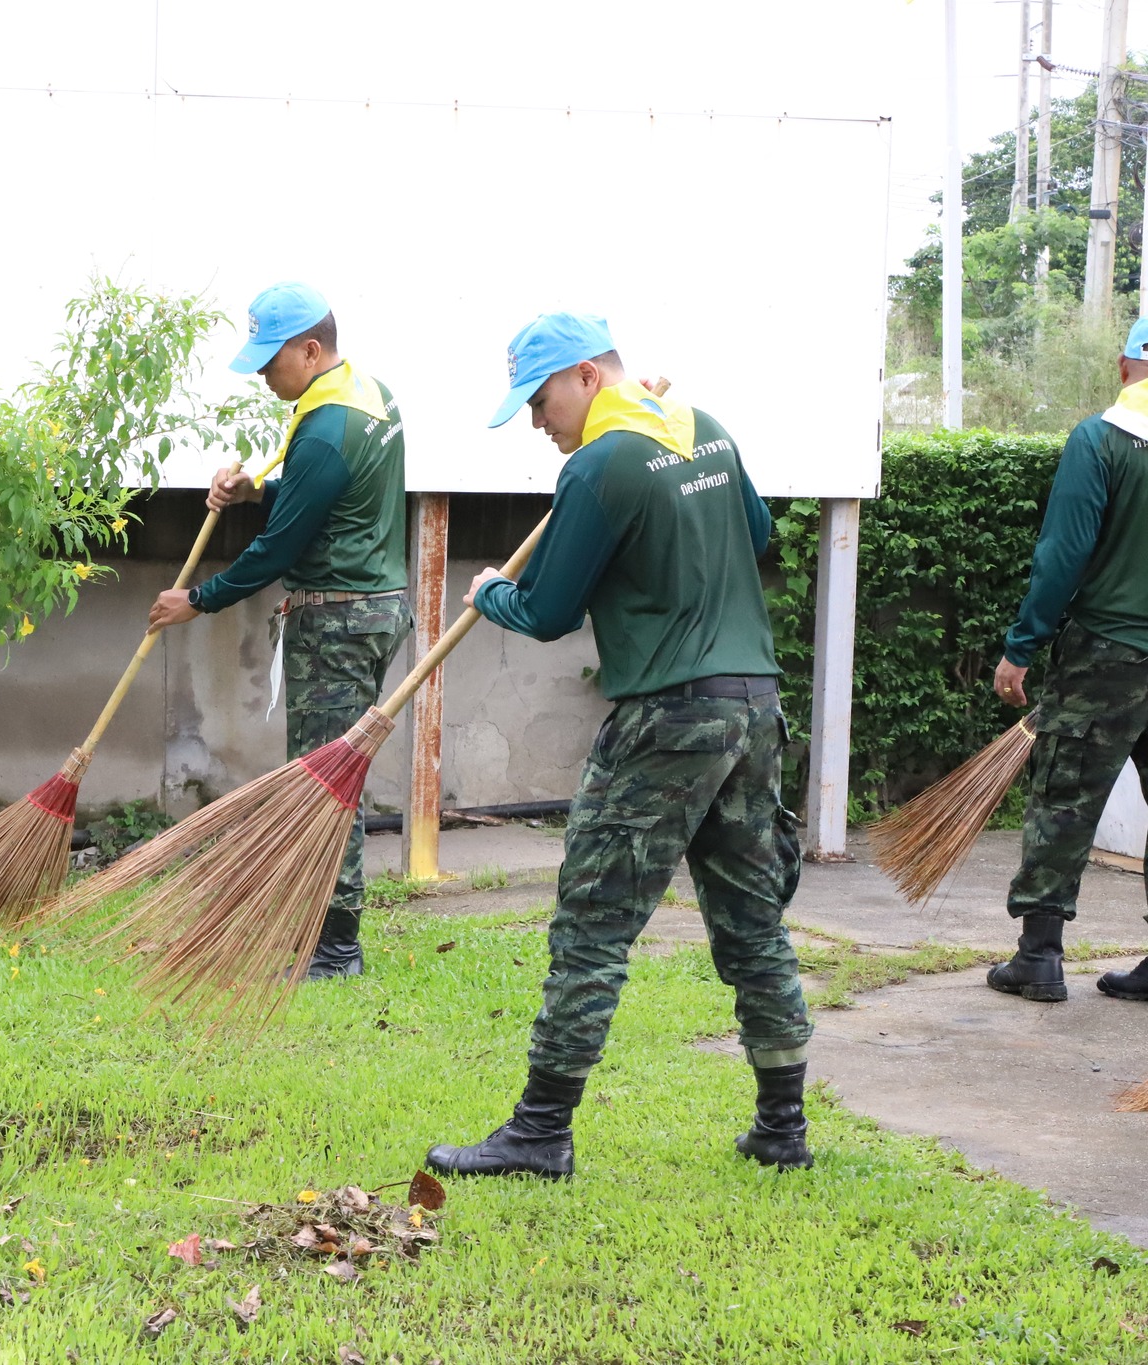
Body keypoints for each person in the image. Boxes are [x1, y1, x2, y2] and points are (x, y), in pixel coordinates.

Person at [424, 312, 814, 1180]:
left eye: (541, 398)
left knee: (593, 922)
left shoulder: (599, 466)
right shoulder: (705, 431)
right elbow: (757, 538)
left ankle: (538, 1131)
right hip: (753, 705)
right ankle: (782, 1127)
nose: (537, 421)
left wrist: (491, 592)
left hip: (668, 718)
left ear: (588, 377)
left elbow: (551, 610)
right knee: (752, 919)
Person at [146, 281, 408, 979]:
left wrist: (196, 600)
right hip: (379, 604)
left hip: (338, 616)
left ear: (311, 349)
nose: (264, 376)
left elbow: (278, 550)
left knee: (327, 779)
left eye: (271, 361)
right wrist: (252, 492)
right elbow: (324, 498)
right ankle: (324, 929)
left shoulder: (325, 429)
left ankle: (336, 945)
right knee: (334, 771)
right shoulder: (366, 395)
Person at [986, 316, 1148, 1006]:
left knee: (1063, 798)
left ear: (1125, 366)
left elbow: (1062, 556)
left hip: (1108, 654)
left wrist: (1021, 647)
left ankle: (1040, 957)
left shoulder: (1102, 440)